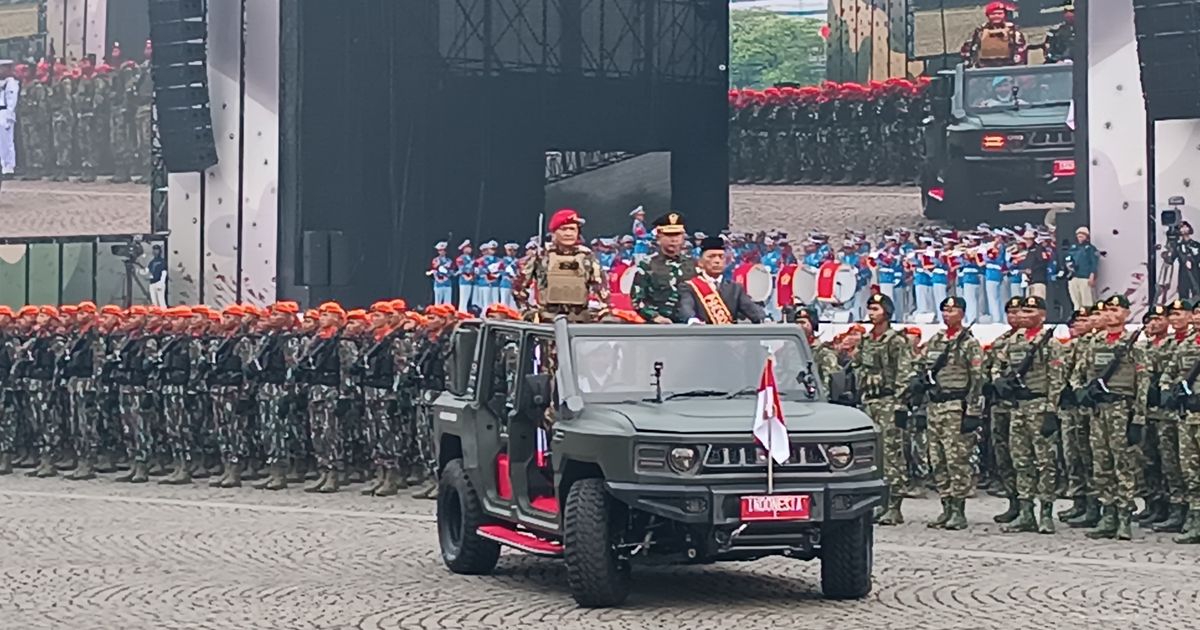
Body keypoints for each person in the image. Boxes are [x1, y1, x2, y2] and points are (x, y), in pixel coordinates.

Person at [1073, 294, 1147, 540]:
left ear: (1126, 314)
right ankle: (1108, 515)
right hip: (1098, 411)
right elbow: (1077, 373)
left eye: (1117, 310)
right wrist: (1081, 392)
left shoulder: (1134, 343)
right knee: (1101, 464)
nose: (1111, 314)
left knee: (1123, 464)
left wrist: (1139, 417)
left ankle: (1124, 517)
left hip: (1122, 409)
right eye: (1108, 310)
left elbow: (1143, 382)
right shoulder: (1094, 342)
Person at [993, 296, 1063, 534]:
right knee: (1021, 461)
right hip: (1017, 407)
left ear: (1042, 315)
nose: (1023, 315)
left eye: (1030, 310)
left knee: (1045, 462)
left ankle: (1045, 513)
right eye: (1021, 310)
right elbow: (997, 365)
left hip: (1040, 404)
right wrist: (1000, 382)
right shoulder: (1012, 341)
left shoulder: (1050, 343)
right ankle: (1025, 512)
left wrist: (1052, 411)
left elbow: (1056, 379)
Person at [915, 297, 984, 530]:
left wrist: (973, 411)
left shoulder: (969, 343)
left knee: (957, 460)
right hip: (936, 406)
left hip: (957, 406)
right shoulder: (936, 340)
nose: (947, 313)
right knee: (937, 459)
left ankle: (959, 510)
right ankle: (945, 506)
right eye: (944, 309)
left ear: (962, 313)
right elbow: (922, 366)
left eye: (952, 310)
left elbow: (977, 378)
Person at [852, 294, 913, 525]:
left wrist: (900, 403)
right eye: (870, 308)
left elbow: (904, 373)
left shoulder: (895, 340)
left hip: (889, 402)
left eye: (876, 308)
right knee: (874, 454)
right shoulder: (868, 340)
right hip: (870, 401)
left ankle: (895, 504)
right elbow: (856, 366)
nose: (871, 313)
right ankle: (879, 503)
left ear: (886, 312)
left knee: (891, 453)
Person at [513, 209, 608, 323]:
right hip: (547, 320)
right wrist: (527, 311)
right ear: (554, 232)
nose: (568, 233)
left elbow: (601, 288)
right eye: (563, 229)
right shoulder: (541, 256)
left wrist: (602, 311)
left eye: (572, 229)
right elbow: (519, 287)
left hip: (580, 320)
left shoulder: (587, 257)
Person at [678, 236, 766, 325]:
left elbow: (752, 310)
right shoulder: (689, 286)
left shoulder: (735, 288)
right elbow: (686, 308)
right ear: (700, 262)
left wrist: (764, 318)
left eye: (721, 257)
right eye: (711, 256)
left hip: (728, 336)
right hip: (702, 335)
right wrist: (692, 320)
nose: (717, 261)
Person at [631, 212, 696, 324]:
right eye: (669, 235)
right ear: (659, 237)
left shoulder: (693, 264)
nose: (674, 239)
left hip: (691, 325)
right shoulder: (647, 265)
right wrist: (655, 317)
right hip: (659, 326)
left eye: (677, 235)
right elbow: (638, 299)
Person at [961, 2, 1028, 68]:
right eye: (993, 14)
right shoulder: (980, 32)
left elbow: (1021, 51)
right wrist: (970, 65)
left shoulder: (1014, 33)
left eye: (999, 13)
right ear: (988, 15)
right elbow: (968, 48)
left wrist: (1018, 68)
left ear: (1004, 15)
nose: (996, 16)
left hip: (1009, 68)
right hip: (984, 70)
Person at [1065, 227, 1099, 310]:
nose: (1080, 236)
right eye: (1078, 235)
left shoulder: (1090, 248)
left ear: (1086, 236)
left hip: (1085, 277)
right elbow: (1067, 259)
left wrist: (1092, 276)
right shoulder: (1072, 248)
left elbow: (1094, 263)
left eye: (1082, 235)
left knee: (1087, 302)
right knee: (1076, 302)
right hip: (1073, 277)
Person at [0, 59, 19, 181]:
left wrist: (9, 117)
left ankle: (9, 167)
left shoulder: (11, 83)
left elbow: (12, 101)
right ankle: (3, 165)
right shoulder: (3, 82)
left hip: (4, 112)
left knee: (7, 142)